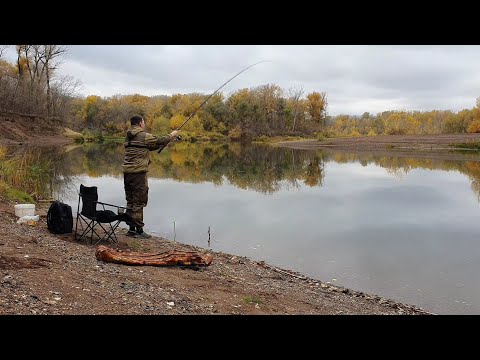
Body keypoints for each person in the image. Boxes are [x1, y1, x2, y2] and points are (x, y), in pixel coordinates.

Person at [122, 114, 179, 238]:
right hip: (138, 174)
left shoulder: (128, 137)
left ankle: (131, 229)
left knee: (130, 200)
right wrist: (172, 135)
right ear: (140, 123)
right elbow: (159, 140)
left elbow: (149, 146)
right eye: (144, 122)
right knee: (139, 201)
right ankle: (139, 231)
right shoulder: (143, 135)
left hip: (127, 173)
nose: (144, 124)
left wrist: (165, 142)